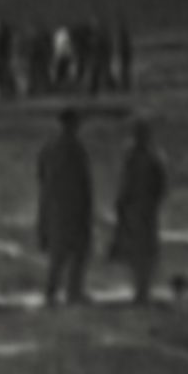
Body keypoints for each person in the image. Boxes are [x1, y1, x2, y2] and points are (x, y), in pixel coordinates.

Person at [37, 108, 94, 305]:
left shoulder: (49, 147)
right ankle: (73, 291)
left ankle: (52, 292)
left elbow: (42, 175)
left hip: (53, 204)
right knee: (77, 251)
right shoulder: (77, 149)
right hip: (73, 206)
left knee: (58, 252)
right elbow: (84, 181)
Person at [108, 119, 167, 304]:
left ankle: (142, 289)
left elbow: (158, 184)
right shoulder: (145, 157)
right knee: (140, 250)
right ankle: (141, 288)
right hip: (139, 209)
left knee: (142, 250)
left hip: (140, 209)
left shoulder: (142, 157)